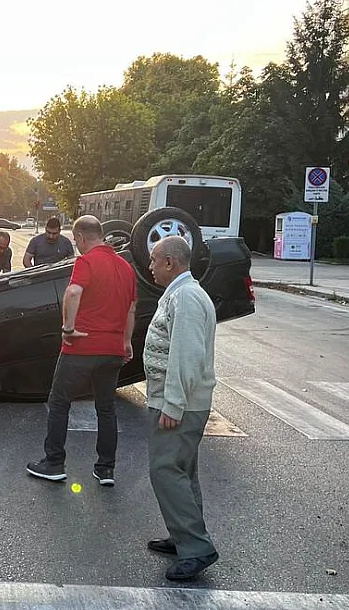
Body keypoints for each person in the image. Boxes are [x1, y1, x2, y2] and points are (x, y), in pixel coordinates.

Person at [26, 215, 137, 486]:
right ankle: (105, 469)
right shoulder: (125, 267)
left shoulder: (85, 262)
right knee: (106, 408)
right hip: (112, 349)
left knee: (60, 401)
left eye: (76, 241)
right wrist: (126, 342)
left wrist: (68, 328)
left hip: (81, 346)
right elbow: (132, 309)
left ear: (81, 238)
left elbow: (73, 292)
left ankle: (54, 463)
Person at [140, 235, 220, 581]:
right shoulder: (179, 293)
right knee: (182, 471)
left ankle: (196, 547)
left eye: (155, 260)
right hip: (180, 402)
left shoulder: (186, 297)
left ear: (171, 262)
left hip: (179, 405)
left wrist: (172, 404)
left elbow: (186, 356)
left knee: (165, 469)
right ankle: (182, 536)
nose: (151, 266)